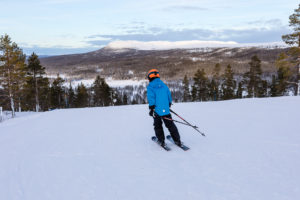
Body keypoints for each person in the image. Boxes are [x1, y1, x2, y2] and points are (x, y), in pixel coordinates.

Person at [146, 69, 182, 146]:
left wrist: (151, 108)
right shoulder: (163, 85)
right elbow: (169, 95)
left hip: (157, 110)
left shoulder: (150, 86)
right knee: (170, 125)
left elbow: (151, 98)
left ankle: (161, 141)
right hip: (165, 110)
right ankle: (177, 140)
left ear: (150, 77)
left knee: (158, 125)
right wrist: (169, 104)